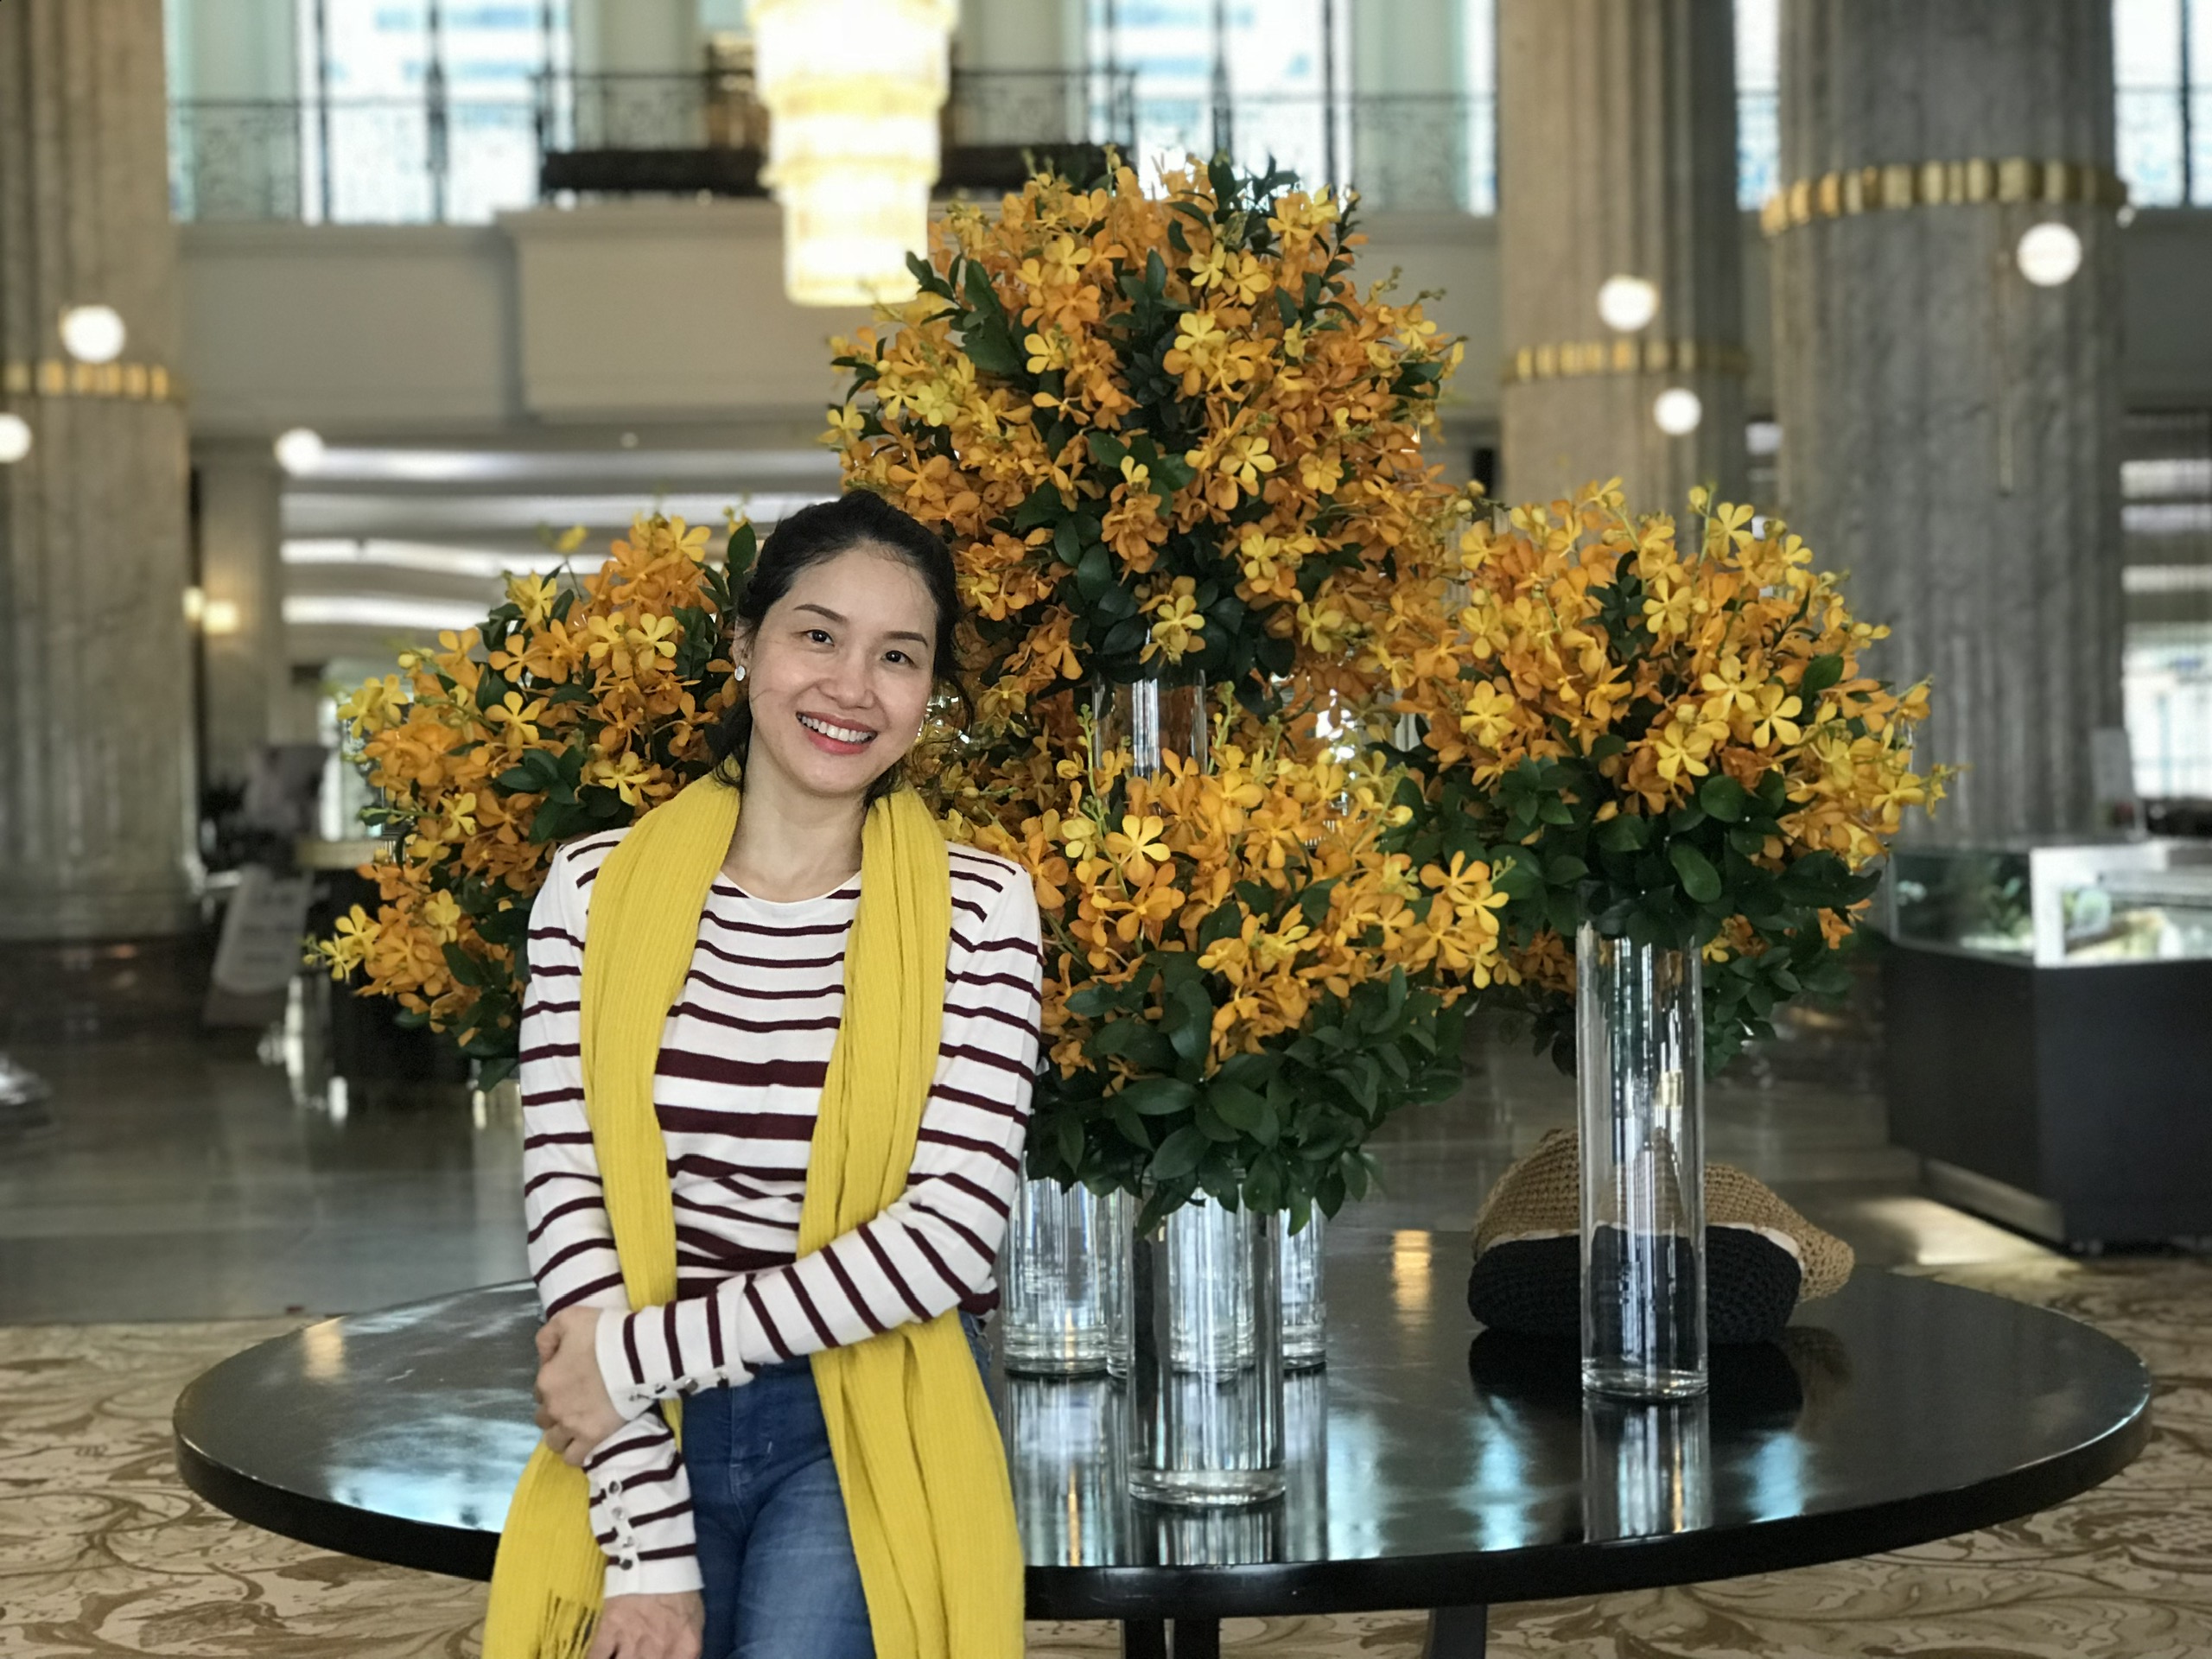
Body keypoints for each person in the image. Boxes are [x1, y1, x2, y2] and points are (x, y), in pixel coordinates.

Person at [505, 492, 1041, 1659]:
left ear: (929, 691)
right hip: (642, 1422)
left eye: (897, 656)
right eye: (818, 635)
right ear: (746, 643)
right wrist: (645, 1544)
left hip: (864, 1407)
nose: (852, 687)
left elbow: (951, 1238)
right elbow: (568, 1194)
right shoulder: (591, 891)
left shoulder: (983, 908)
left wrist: (628, 1361)